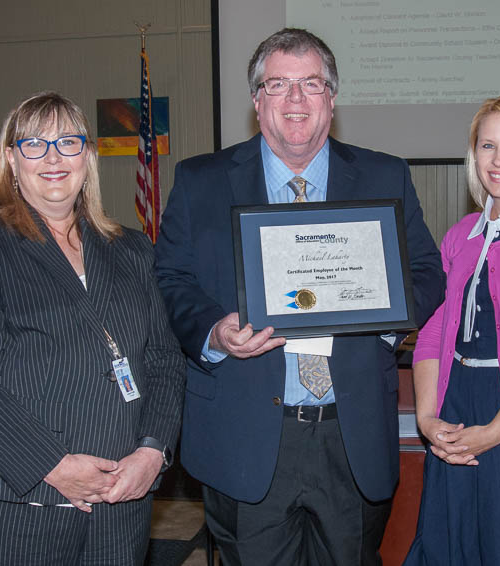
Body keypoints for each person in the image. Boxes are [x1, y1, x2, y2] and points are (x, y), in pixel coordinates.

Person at [156, 28, 444, 566]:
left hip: (351, 434)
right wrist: (215, 331)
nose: (295, 99)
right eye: (279, 85)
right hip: (247, 438)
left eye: (310, 84)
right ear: (256, 100)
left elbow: (427, 270)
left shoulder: (384, 175)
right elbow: (172, 279)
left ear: (331, 100)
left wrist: (386, 318)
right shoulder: (200, 181)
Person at [0, 91, 185, 565]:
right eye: (34, 144)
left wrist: (153, 453)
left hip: (123, 508)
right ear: (12, 161)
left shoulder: (131, 250)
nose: (53, 157)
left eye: (68, 143)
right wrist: (50, 465)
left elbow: (163, 361)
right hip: (25, 505)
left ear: (88, 157)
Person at [404, 95, 500, 566]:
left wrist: (493, 432)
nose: (499, 160)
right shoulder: (461, 234)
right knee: (449, 544)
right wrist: (428, 422)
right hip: (455, 408)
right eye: (487, 145)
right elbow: (431, 337)